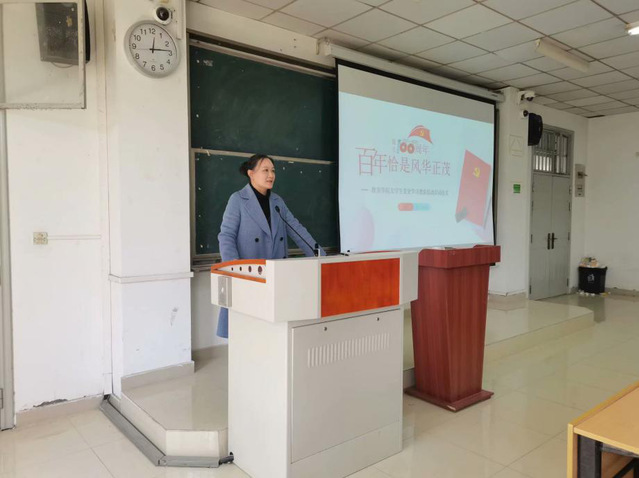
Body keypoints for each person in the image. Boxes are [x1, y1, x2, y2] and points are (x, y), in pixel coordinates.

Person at [217, 153, 325, 338]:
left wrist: (320, 256)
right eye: (265, 170)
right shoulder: (238, 199)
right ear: (251, 173)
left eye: (273, 171)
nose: (271, 175)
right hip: (250, 276)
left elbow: (297, 230)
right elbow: (226, 235)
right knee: (247, 332)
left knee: (273, 332)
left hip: (276, 277)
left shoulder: (277, 202)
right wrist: (234, 268)